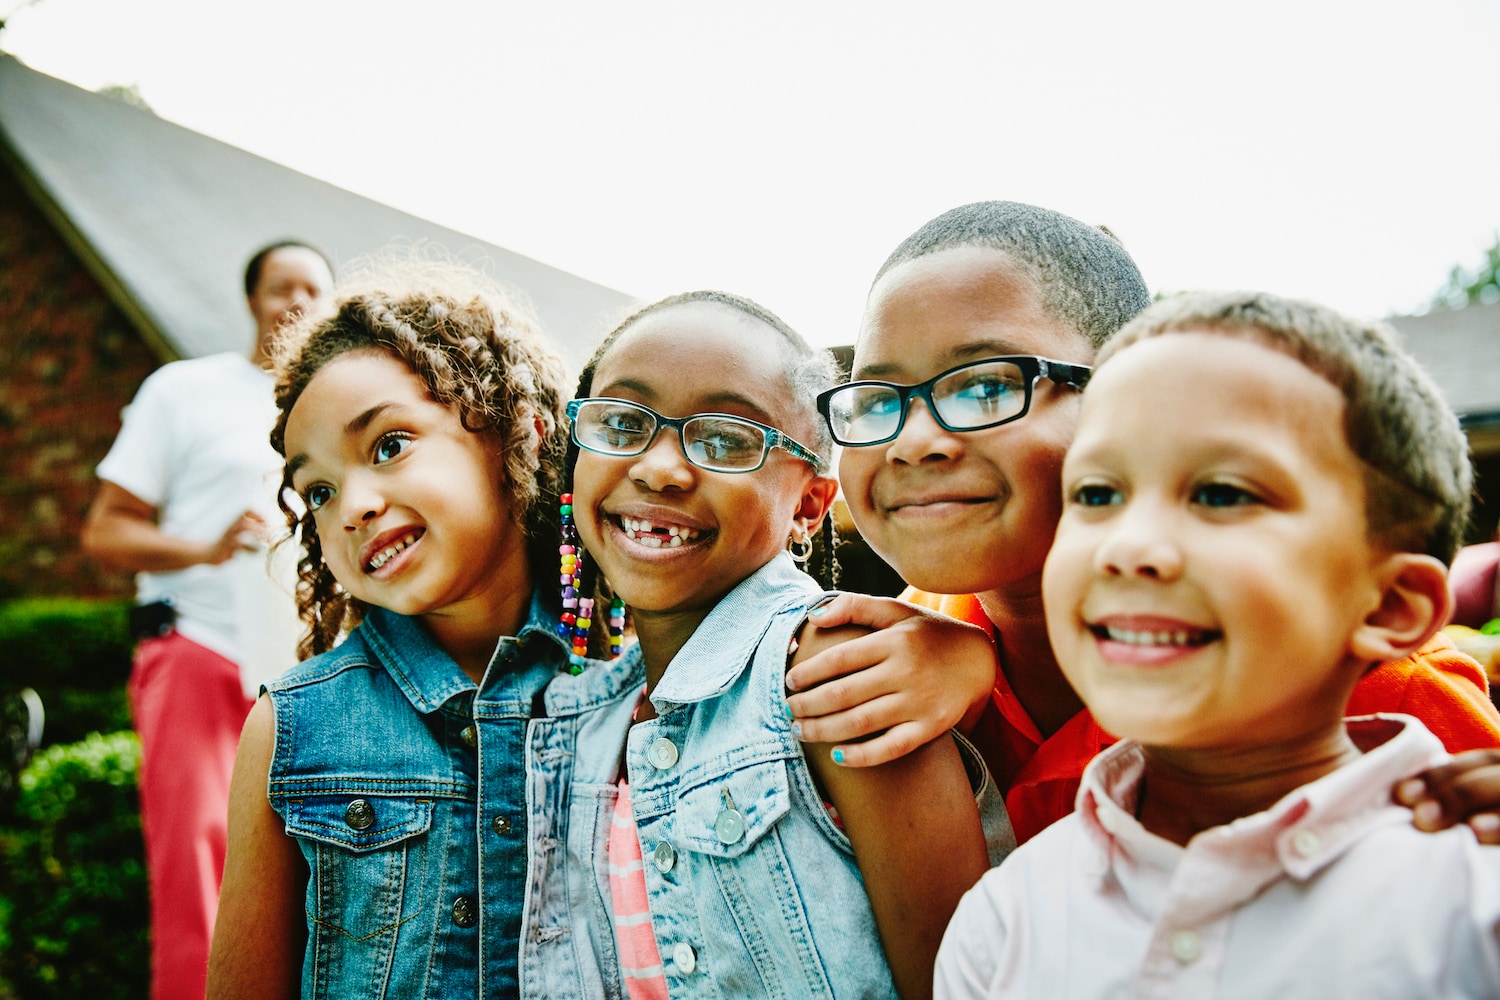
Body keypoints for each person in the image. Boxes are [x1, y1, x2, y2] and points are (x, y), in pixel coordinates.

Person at [786, 200, 1500, 844]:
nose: (913, 441)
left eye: (985, 385)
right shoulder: (878, 663)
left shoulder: (1370, 694)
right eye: (877, 397)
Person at [934, 290, 1500, 998]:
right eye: (1098, 494)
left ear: (1389, 605)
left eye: (1223, 494)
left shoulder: (1473, 891)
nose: (1128, 546)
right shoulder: (1006, 920)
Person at [205, 268, 641, 999]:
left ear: (521, 432)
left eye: (388, 445)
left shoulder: (637, 685)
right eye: (319, 490)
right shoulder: (291, 726)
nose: (353, 506)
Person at [563, 290, 1003, 1000]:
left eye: (727, 440)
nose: (660, 469)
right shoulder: (584, 709)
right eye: (621, 422)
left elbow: (959, 986)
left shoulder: (836, 668)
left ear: (808, 505)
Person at [81, 240, 333, 1000]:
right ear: (251, 299)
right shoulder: (184, 390)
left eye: (314, 289)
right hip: (195, 647)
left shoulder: (334, 409)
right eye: (280, 287)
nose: (297, 302)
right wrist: (206, 545)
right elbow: (105, 531)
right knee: (193, 863)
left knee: (305, 876)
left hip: (302, 670)